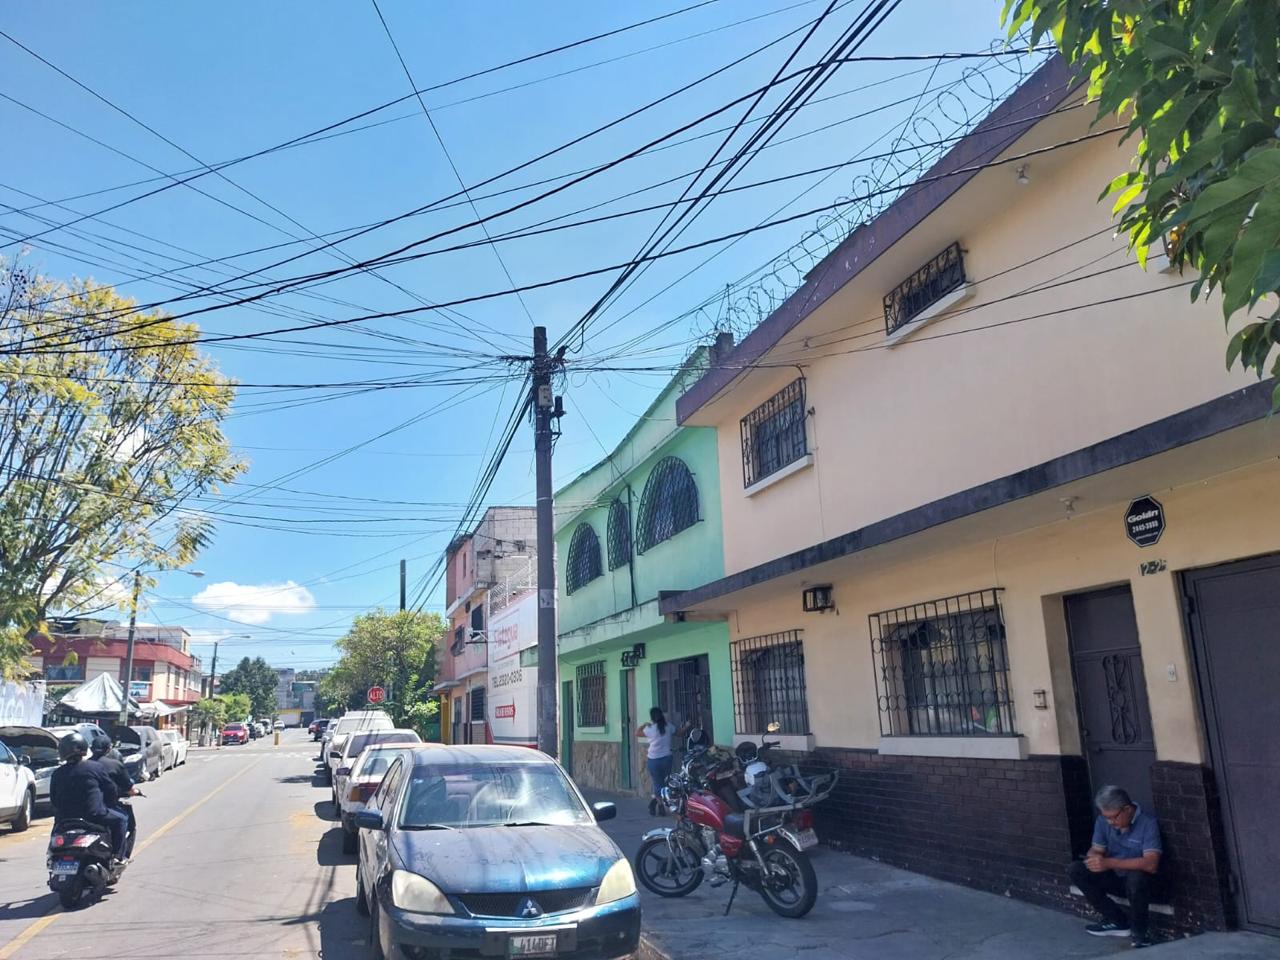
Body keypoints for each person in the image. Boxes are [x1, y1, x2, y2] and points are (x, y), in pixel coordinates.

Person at [1067, 785, 1161, 949]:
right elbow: (1096, 850)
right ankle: (1117, 920)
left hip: (1142, 885)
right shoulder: (1103, 822)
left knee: (1136, 877)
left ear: (1127, 809)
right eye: (1106, 818)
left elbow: (1151, 864)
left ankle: (1141, 934)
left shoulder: (1148, 823)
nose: (1110, 822)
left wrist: (1108, 863)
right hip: (1115, 877)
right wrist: (1093, 858)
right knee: (1076, 869)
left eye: (1114, 818)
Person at [48, 733, 130, 864]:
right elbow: (111, 790)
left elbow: (54, 800)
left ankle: (51, 858)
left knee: (55, 833)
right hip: (94, 816)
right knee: (122, 820)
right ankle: (117, 857)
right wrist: (109, 802)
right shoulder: (94, 767)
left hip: (64, 819)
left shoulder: (57, 773)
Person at [91, 735, 138, 856]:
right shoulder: (114, 765)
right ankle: (118, 855)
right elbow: (129, 788)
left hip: (84, 808)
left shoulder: (82, 766)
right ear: (108, 749)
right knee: (123, 819)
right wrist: (134, 791)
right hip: (105, 807)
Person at [637, 708, 677, 816]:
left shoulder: (650, 728)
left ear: (652, 717)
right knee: (664, 783)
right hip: (667, 759)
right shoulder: (668, 726)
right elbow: (679, 733)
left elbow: (637, 733)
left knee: (657, 783)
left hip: (654, 760)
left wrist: (644, 725)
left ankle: (660, 806)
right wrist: (687, 725)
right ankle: (654, 803)